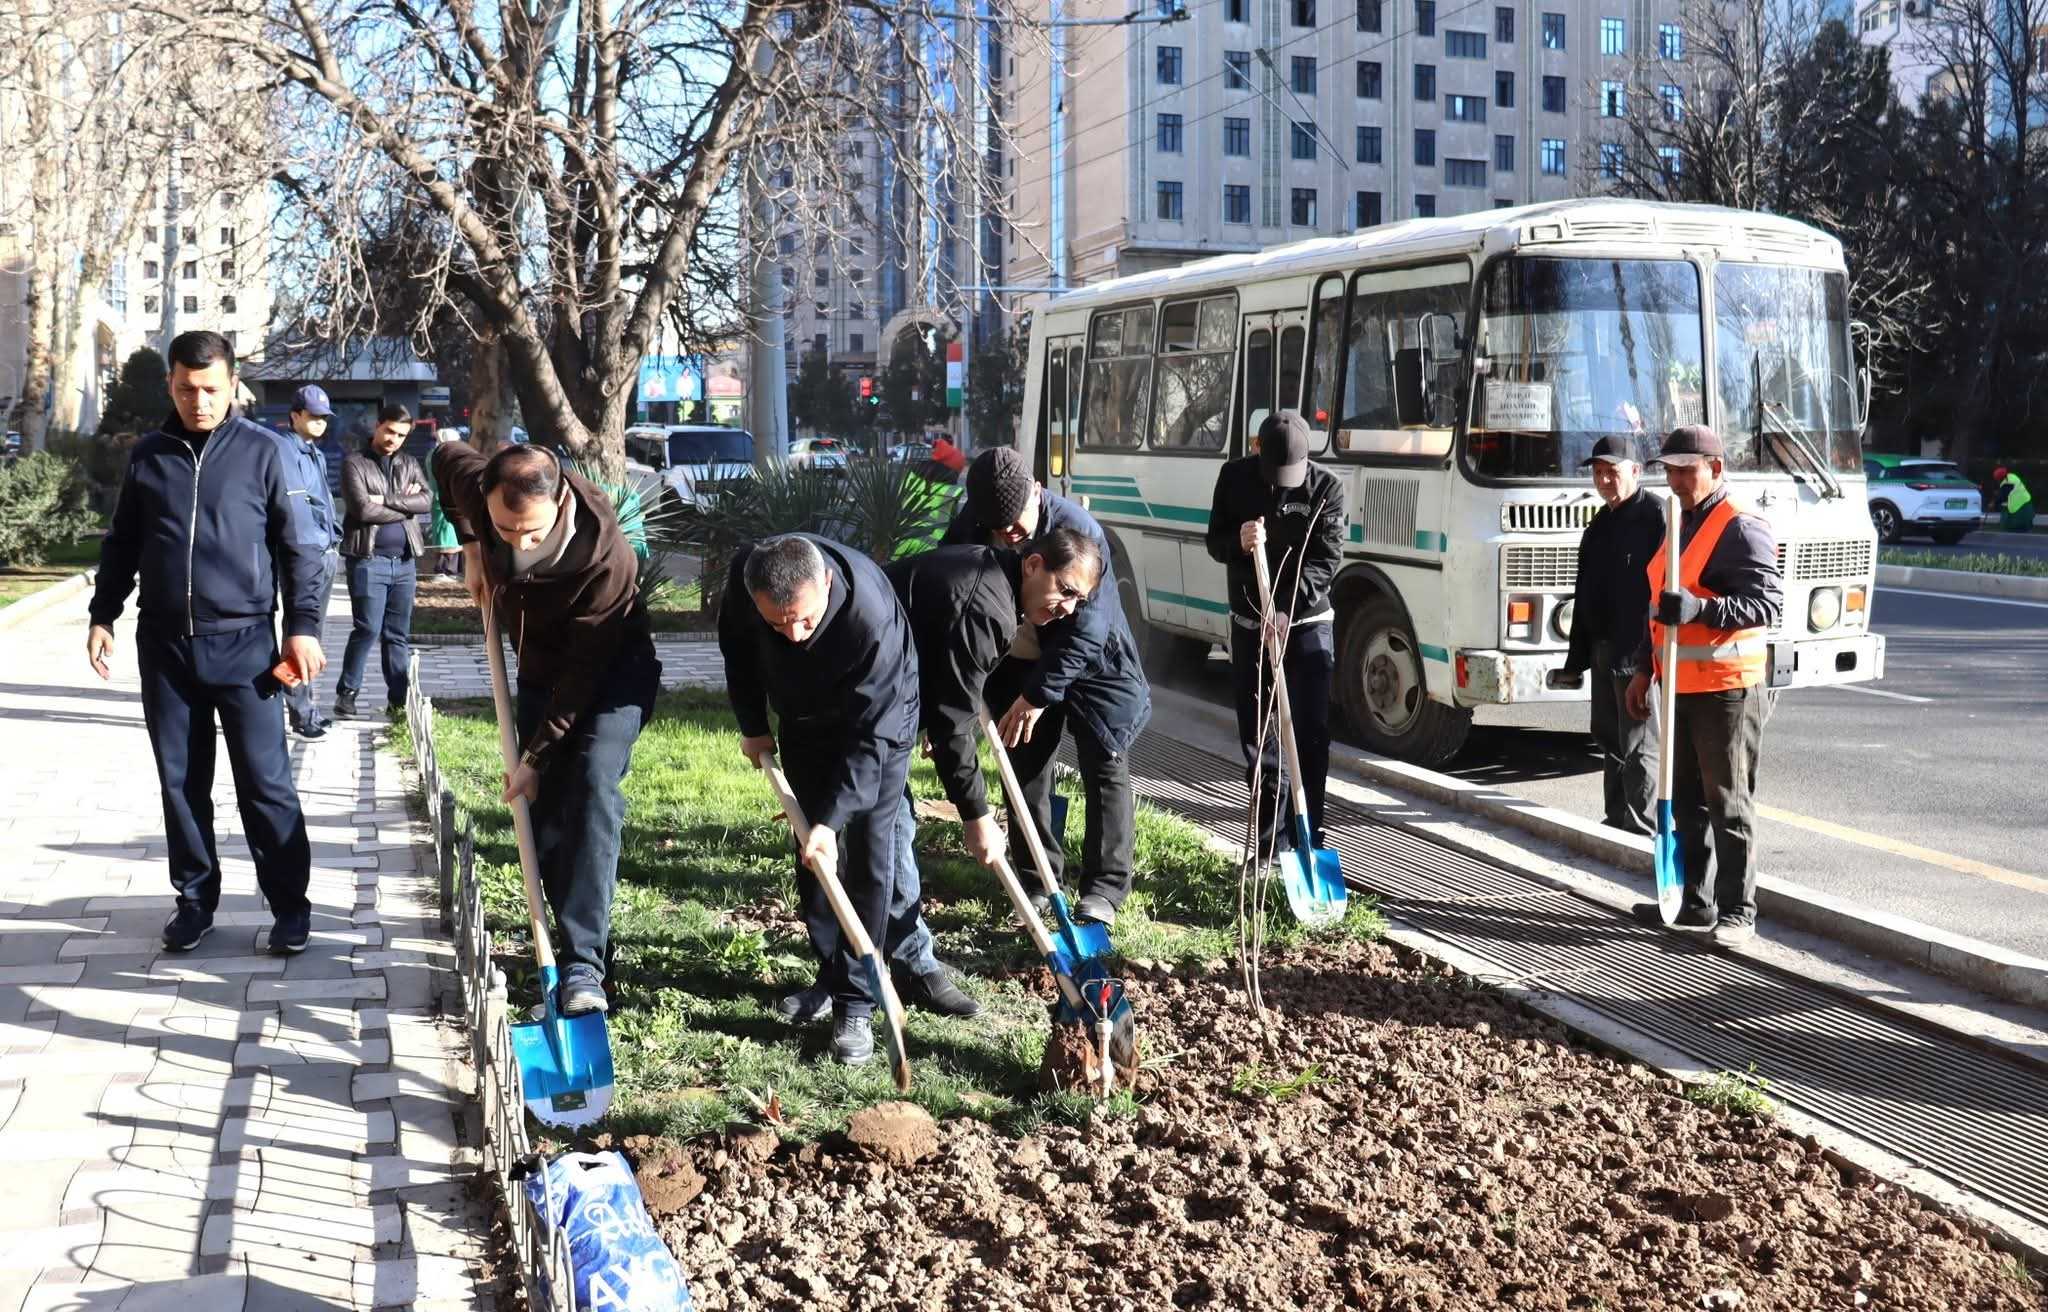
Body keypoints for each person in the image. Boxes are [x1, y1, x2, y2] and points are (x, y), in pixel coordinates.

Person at [86, 330, 327, 954]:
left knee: (265, 783)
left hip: (247, 647)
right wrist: (103, 614)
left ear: (232, 385)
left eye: (211, 389)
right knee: (181, 781)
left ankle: (290, 907)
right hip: (165, 648)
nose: (199, 401)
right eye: (187, 389)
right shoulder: (148, 455)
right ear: (171, 383)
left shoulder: (265, 452)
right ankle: (194, 901)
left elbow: (301, 550)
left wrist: (302, 628)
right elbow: (122, 542)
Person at [432, 443, 662, 1016]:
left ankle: (585, 965)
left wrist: (534, 756)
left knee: (589, 785)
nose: (519, 543)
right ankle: (558, 951)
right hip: (538, 675)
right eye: (504, 529)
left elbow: (580, 682)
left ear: (560, 500)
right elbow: (445, 456)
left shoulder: (605, 560)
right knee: (545, 818)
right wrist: (470, 545)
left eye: (531, 532)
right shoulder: (482, 490)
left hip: (608, 677)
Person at [720, 534, 920, 1066]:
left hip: (880, 725)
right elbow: (737, 654)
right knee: (810, 847)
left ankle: (857, 1003)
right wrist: (754, 727)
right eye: (778, 623)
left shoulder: (869, 618)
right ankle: (831, 973)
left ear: (826, 584)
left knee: (868, 851)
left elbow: (870, 741)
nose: (794, 632)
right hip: (804, 718)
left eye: (805, 620)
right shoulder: (747, 582)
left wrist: (835, 821)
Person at [940, 447, 1151, 925]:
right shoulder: (974, 523)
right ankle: (1038, 881)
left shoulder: (1079, 533)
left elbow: (1089, 629)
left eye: (1014, 525)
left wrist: (1039, 695)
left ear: (1036, 492)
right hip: (1016, 657)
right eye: (996, 528)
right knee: (1025, 768)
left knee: (1105, 761)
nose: (1006, 535)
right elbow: (952, 595)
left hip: (1092, 663)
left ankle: (1105, 889)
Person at [1626, 425, 1782, 948]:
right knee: (1687, 798)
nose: (1674, 479)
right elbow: (1659, 610)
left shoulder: (1741, 525)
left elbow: (1766, 603)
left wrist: (1702, 610)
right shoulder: (1681, 521)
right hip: (1679, 685)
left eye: (1685, 470)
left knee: (1728, 801)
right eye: (1668, 470)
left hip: (1726, 689)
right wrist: (1646, 670)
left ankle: (1739, 911)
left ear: (1715, 469)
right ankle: (1695, 901)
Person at [1204, 411, 1345, 862]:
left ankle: (1311, 839)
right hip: (1249, 626)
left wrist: (1288, 609)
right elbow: (1214, 541)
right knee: (1261, 741)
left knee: (1310, 735)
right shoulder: (1234, 478)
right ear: (1257, 451)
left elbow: (1326, 559)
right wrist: (1238, 543)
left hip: (1306, 626)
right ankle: (1268, 849)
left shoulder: (1327, 488)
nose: (1283, 485)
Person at [1560, 435, 1665, 835]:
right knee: (1609, 740)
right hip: (1604, 650)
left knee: (1639, 745)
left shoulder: (1657, 517)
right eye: (1598, 472)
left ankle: (1641, 829)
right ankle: (1615, 820)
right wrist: (1576, 660)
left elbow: (1664, 591)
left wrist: (1649, 656)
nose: (1604, 479)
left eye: (1613, 471)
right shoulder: (1600, 523)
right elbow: (1584, 589)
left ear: (1635, 472)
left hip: (1638, 654)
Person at [335, 404, 428, 718]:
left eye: (401, 434)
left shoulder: (410, 463)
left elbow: (426, 501)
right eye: (389, 430)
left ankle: (398, 702)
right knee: (367, 629)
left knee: (397, 634)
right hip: (368, 560)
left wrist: (386, 500)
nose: (394, 439)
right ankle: (346, 695)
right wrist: (406, 505)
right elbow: (362, 510)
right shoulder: (355, 464)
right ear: (377, 426)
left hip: (404, 563)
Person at [278, 385, 344, 739]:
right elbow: (299, 506)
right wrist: (321, 538)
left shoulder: (312, 452)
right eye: (313, 416)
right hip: (307, 554)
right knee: (300, 634)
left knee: (308, 635)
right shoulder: (285, 449)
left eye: (324, 418)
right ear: (296, 415)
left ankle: (303, 708)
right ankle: (300, 713)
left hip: (324, 551)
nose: (320, 423)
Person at [426, 427, 466, 578]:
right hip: (446, 498)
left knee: (449, 533)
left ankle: (451, 569)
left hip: (443, 497)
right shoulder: (443, 454)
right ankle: (445, 570)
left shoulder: (434, 453)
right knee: (447, 533)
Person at [1992, 466, 2035, 532]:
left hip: (2018, 506)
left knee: (2014, 526)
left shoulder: (2007, 483)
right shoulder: (2012, 476)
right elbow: (2008, 491)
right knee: (2025, 523)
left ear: (2000, 478)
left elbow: (2002, 497)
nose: (1997, 481)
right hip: (2026, 500)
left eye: (1997, 479)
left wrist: (1993, 503)